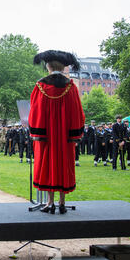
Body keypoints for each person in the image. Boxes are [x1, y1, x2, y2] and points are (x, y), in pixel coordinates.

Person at [29, 50, 85, 214]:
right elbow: (78, 113)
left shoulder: (40, 86)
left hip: (46, 138)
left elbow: (35, 113)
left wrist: (36, 133)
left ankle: (49, 203)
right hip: (65, 138)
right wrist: (74, 135)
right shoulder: (71, 87)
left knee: (47, 167)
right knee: (63, 167)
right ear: (63, 67)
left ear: (48, 66)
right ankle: (62, 203)